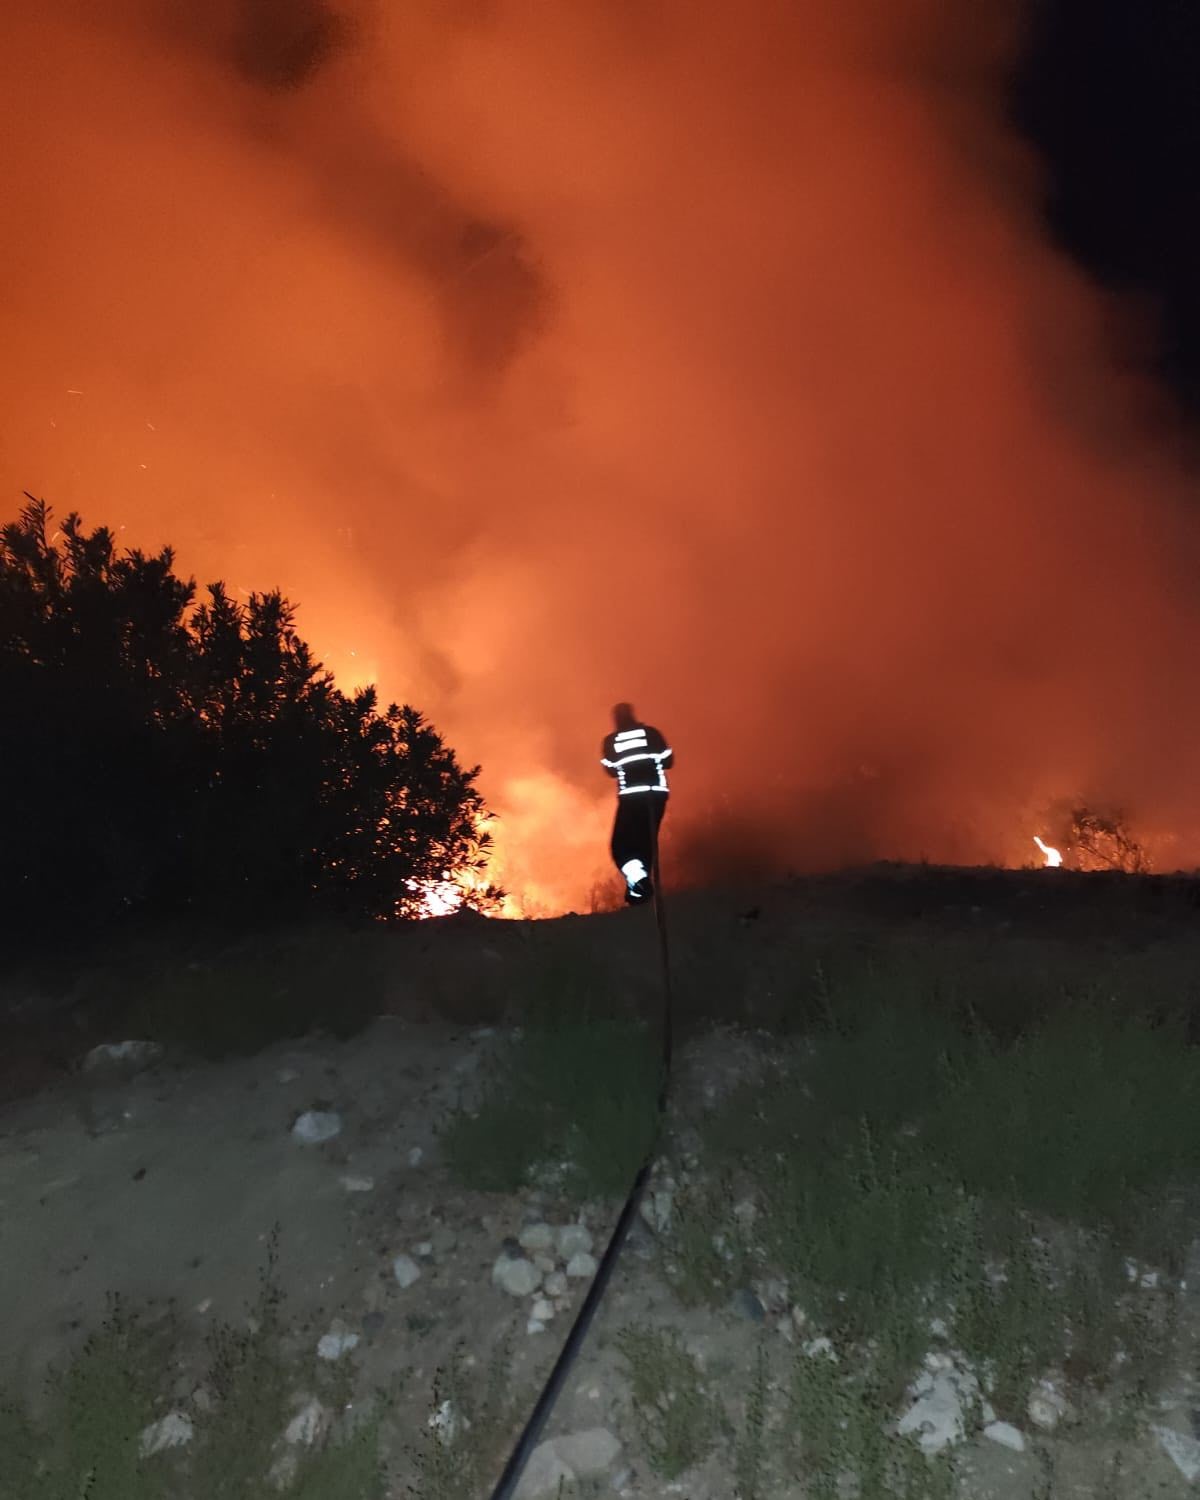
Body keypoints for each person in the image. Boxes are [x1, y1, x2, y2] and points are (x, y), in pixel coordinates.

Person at [600, 703, 673, 904]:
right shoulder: (651, 733)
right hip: (657, 795)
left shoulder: (611, 740)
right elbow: (668, 761)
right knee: (646, 842)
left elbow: (610, 770)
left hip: (632, 796)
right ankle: (639, 891)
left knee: (621, 845)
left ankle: (639, 882)